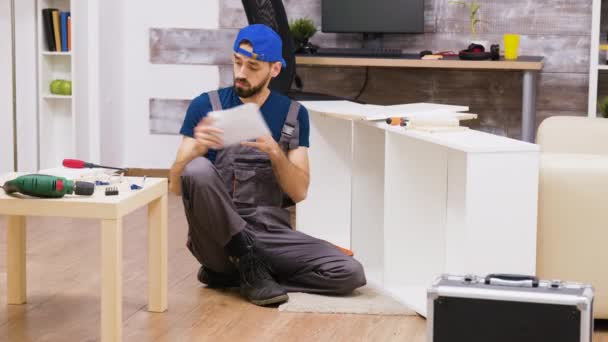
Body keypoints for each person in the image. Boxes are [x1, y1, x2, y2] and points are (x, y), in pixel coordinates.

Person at [168, 24, 366, 306]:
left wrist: (276, 153)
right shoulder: (206, 105)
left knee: (350, 273)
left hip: (268, 235)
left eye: (253, 66)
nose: (241, 73)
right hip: (215, 241)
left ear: (274, 69)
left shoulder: (294, 115)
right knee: (196, 169)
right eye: (237, 62)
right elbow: (175, 185)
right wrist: (197, 150)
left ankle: (248, 275)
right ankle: (244, 261)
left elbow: (299, 192)